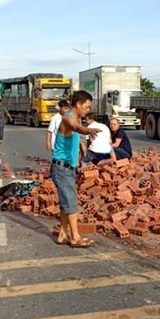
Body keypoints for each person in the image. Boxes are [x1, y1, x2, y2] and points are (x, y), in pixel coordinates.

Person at [52, 90, 99, 248]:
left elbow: (75, 135)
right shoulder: (69, 117)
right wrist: (88, 130)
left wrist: (81, 149)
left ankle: (63, 235)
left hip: (68, 168)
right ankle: (75, 237)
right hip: (61, 168)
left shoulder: (76, 117)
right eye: (86, 106)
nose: (87, 110)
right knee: (71, 203)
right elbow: (75, 127)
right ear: (78, 104)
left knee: (67, 203)